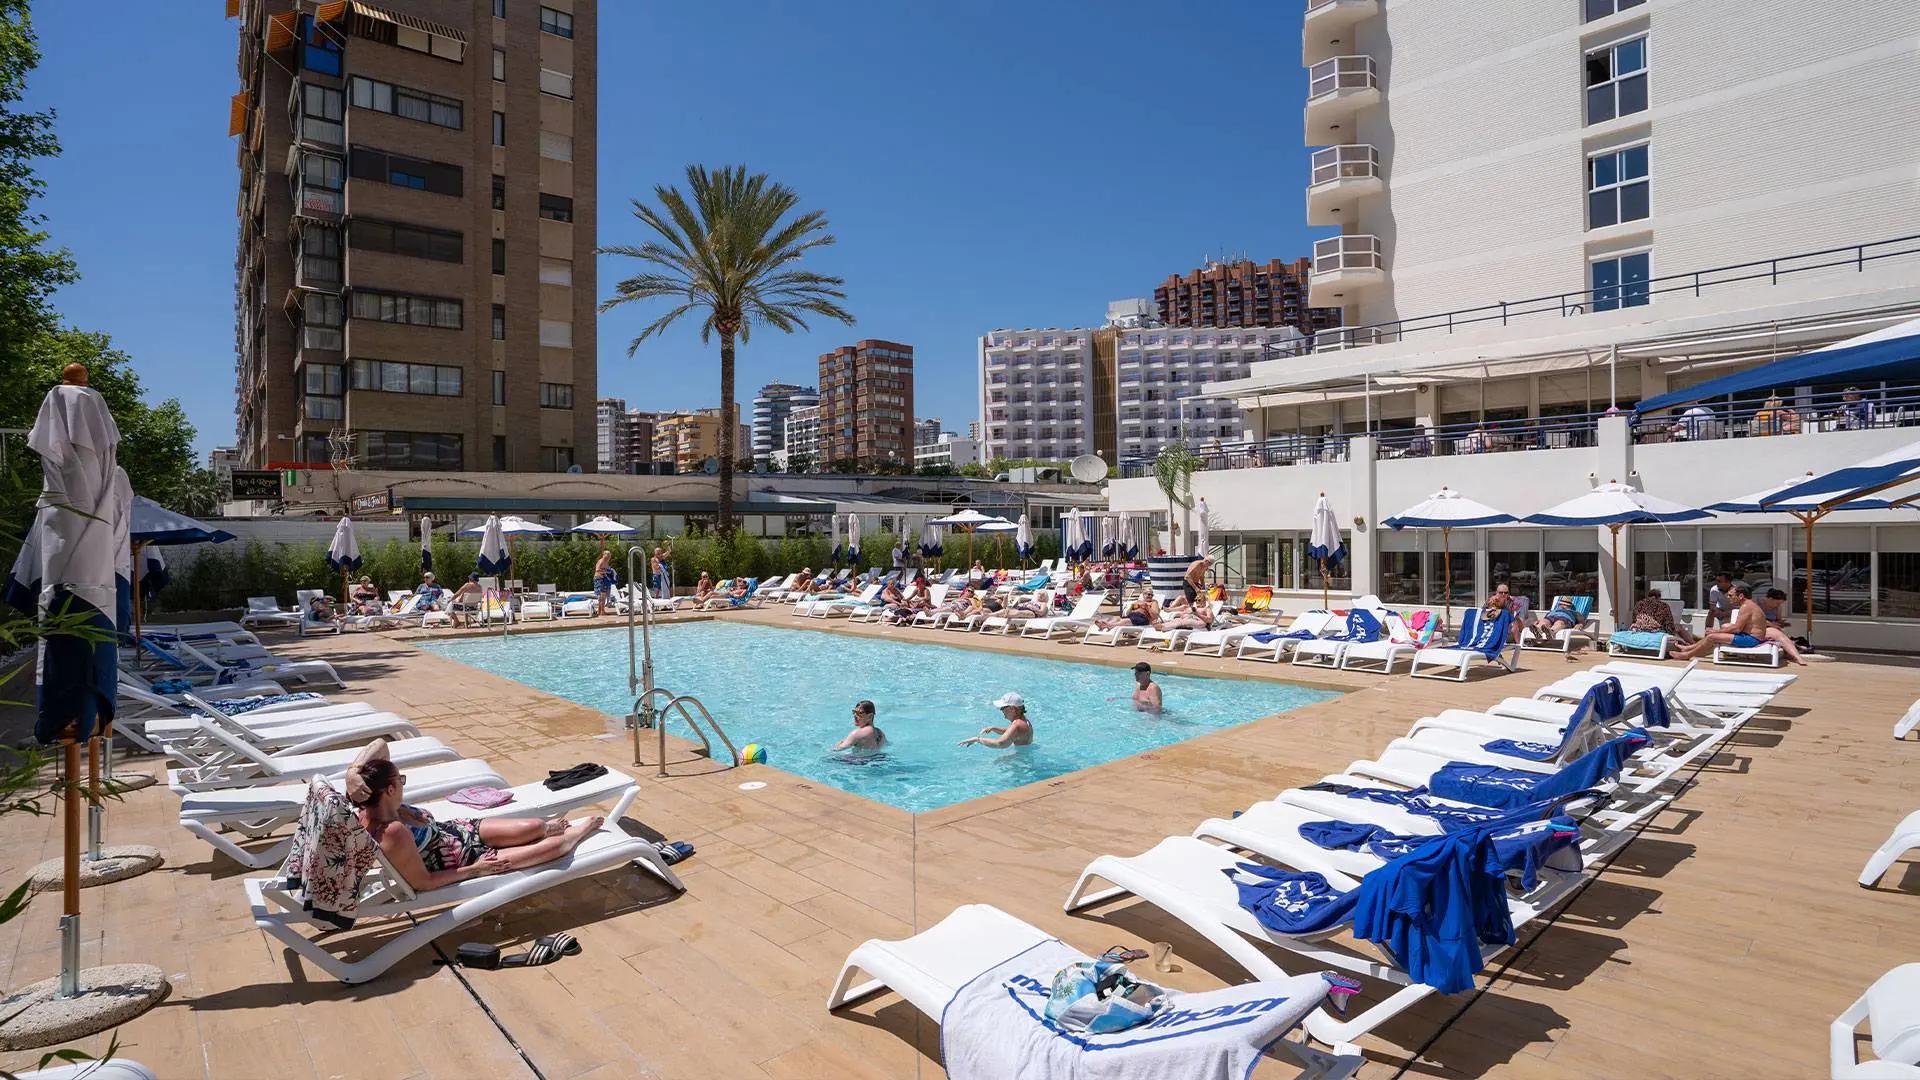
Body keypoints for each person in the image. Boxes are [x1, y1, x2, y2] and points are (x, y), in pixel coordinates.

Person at [346, 751, 603, 892]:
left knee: (534, 826)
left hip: (459, 830)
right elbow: (422, 882)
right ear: (390, 790)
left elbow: (380, 746)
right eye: (400, 780)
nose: (403, 784)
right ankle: (575, 835)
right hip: (465, 860)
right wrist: (476, 870)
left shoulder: (375, 803)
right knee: (555, 847)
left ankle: (545, 829)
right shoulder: (392, 831)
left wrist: (353, 772)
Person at [1676, 583, 1805, 665]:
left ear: (1741, 596)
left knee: (1712, 636)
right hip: (1750, 636)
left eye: (1731, 595)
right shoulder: (1749, 605)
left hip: (1751, 639)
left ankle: (1687, 655)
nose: (1728, 598)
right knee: (1713, 635)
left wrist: (1716, 631)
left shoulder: (1747, 607)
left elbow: (1737, 628)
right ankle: (1688, 649)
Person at [959, 692, 1034, 748]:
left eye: (1002, 708)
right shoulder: (1024, 721)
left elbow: (1000, 744)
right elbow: (1011, 732)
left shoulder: (1017, 724)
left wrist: (978, 740)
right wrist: (993, 728)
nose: (1001, 710)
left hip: (1020, 761)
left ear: (1012, 709)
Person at [592, 549, 616, 616]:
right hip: (599, 579)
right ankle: (601, 611)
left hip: (604, 580)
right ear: (604, 555)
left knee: (603, 595)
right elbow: (597, 570)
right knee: (601, 596)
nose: (608, 557)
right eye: (607, 555)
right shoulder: (601, 561)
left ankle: (601, 611)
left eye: (609, 556)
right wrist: (606, 572)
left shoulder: (606, 562)